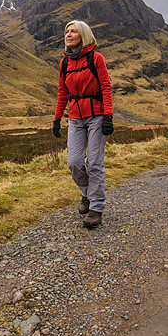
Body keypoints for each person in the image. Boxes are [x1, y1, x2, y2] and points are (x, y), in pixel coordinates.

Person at [52, 20, 114, 228]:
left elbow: (106, 87)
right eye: (66, 31)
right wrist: (56, 119)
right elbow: (63, 93)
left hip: (97, 116)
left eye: (73, 31)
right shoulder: (64, 63)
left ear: (83, 35)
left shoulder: (96, 58)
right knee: (74, 162)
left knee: (94, 163)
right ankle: (87, 193)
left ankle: (96, 208)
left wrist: (108, 117)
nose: (68, 35)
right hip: (75, 118)